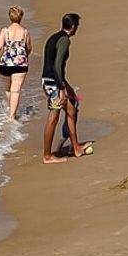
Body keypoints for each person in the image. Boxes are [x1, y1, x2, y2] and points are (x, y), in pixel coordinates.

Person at [41, 13, 83, 163]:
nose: (77, 28)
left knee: (72, 110)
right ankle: (47, 156)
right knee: (54, 116)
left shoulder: (54, 37)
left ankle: (76, 147)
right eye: (77, 25)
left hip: (51, 80)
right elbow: (57, 65)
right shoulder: (64, 40)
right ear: (73, 27)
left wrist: (67, 86)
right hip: (53, 83)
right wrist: (62, 88)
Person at [0, 7, 32, 120]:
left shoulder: (5, 31)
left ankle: (11, 110)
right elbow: (28, 48)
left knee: (8, 89)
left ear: (10, 17)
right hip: (20, 64)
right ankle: (12, 116)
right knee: (16, 90)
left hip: (5, 64)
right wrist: (24, 56)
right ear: (21, 17)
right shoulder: (25, 32)